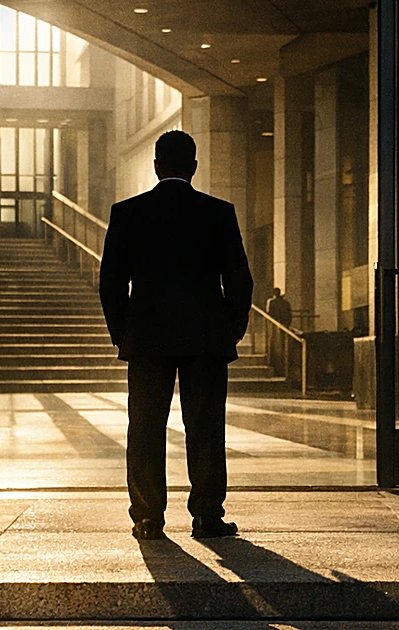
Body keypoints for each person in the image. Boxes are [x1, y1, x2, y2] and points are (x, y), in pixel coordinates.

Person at [99, 130, 253, 541]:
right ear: (194, 166)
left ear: (156, 166)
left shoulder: (128, 213)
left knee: (146, 425)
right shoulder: (219, 212)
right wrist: (231, 330)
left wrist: (123, 334)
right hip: (206, 335)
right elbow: (239, 280)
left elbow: (111, 283)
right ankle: (206, 515)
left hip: (147, 336)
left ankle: (148, 516)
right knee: (204, 425)